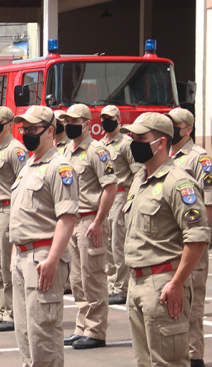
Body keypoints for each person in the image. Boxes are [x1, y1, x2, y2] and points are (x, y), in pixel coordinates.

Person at [122, 112, 209, 367]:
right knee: (146, 360)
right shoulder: (140, 179)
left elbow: (197, 237)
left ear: (160, 142)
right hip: (138, 280)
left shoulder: (179, 182)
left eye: (140, 139)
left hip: (163, 280)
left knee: (169, 360)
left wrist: (177, 282)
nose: (134, 145)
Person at [6, 105, 78, 367]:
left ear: (50, 131)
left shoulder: (59, 167)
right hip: (22, 255)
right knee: (24, 328)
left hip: (42, 256)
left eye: (34, 129)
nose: (27, 133)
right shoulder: (28, 166)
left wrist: (52, 259)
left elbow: (67, 218)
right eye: (24, 128)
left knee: (43, 327)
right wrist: (14, 254)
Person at [168, 107, 212, 367]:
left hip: (191, 241)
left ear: (188, 128)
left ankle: (193, 353)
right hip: (171, 242)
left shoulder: (199, 159)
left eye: (175, 124)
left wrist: (196, 238)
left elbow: (207, 203)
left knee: (193, 299)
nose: (171, 128)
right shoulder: (167, 156)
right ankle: (179, 351)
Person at [62, 103, 117, 349]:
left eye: (73, 122)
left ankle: (95, 330)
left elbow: (110, 186)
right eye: (66, 122)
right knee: (76, 278)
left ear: (86, 124)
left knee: (92, 276)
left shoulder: (97, 151)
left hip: (89, 221)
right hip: (72, 222)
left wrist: (98, 221)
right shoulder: (65, 151)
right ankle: (82, 326)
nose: (68, 126)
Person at [0, 106, 27, 333]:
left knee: (9, 267)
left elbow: (22, 186)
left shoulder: (16, 150)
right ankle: (1, 311)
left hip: (7, 211)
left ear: (10, 124)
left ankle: (12, 313)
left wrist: (16, 216)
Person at [99, 105, 141, 306]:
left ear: (118, 119)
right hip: (104, 197)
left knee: (118, 242)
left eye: (110, 118)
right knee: (106, 242)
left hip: (121, 195)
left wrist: (131, 200)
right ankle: (110, 285)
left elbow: (137, 173)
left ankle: (121, 287)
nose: (106, 121)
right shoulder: (100, 145)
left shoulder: (126, 143)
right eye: (103, 118)